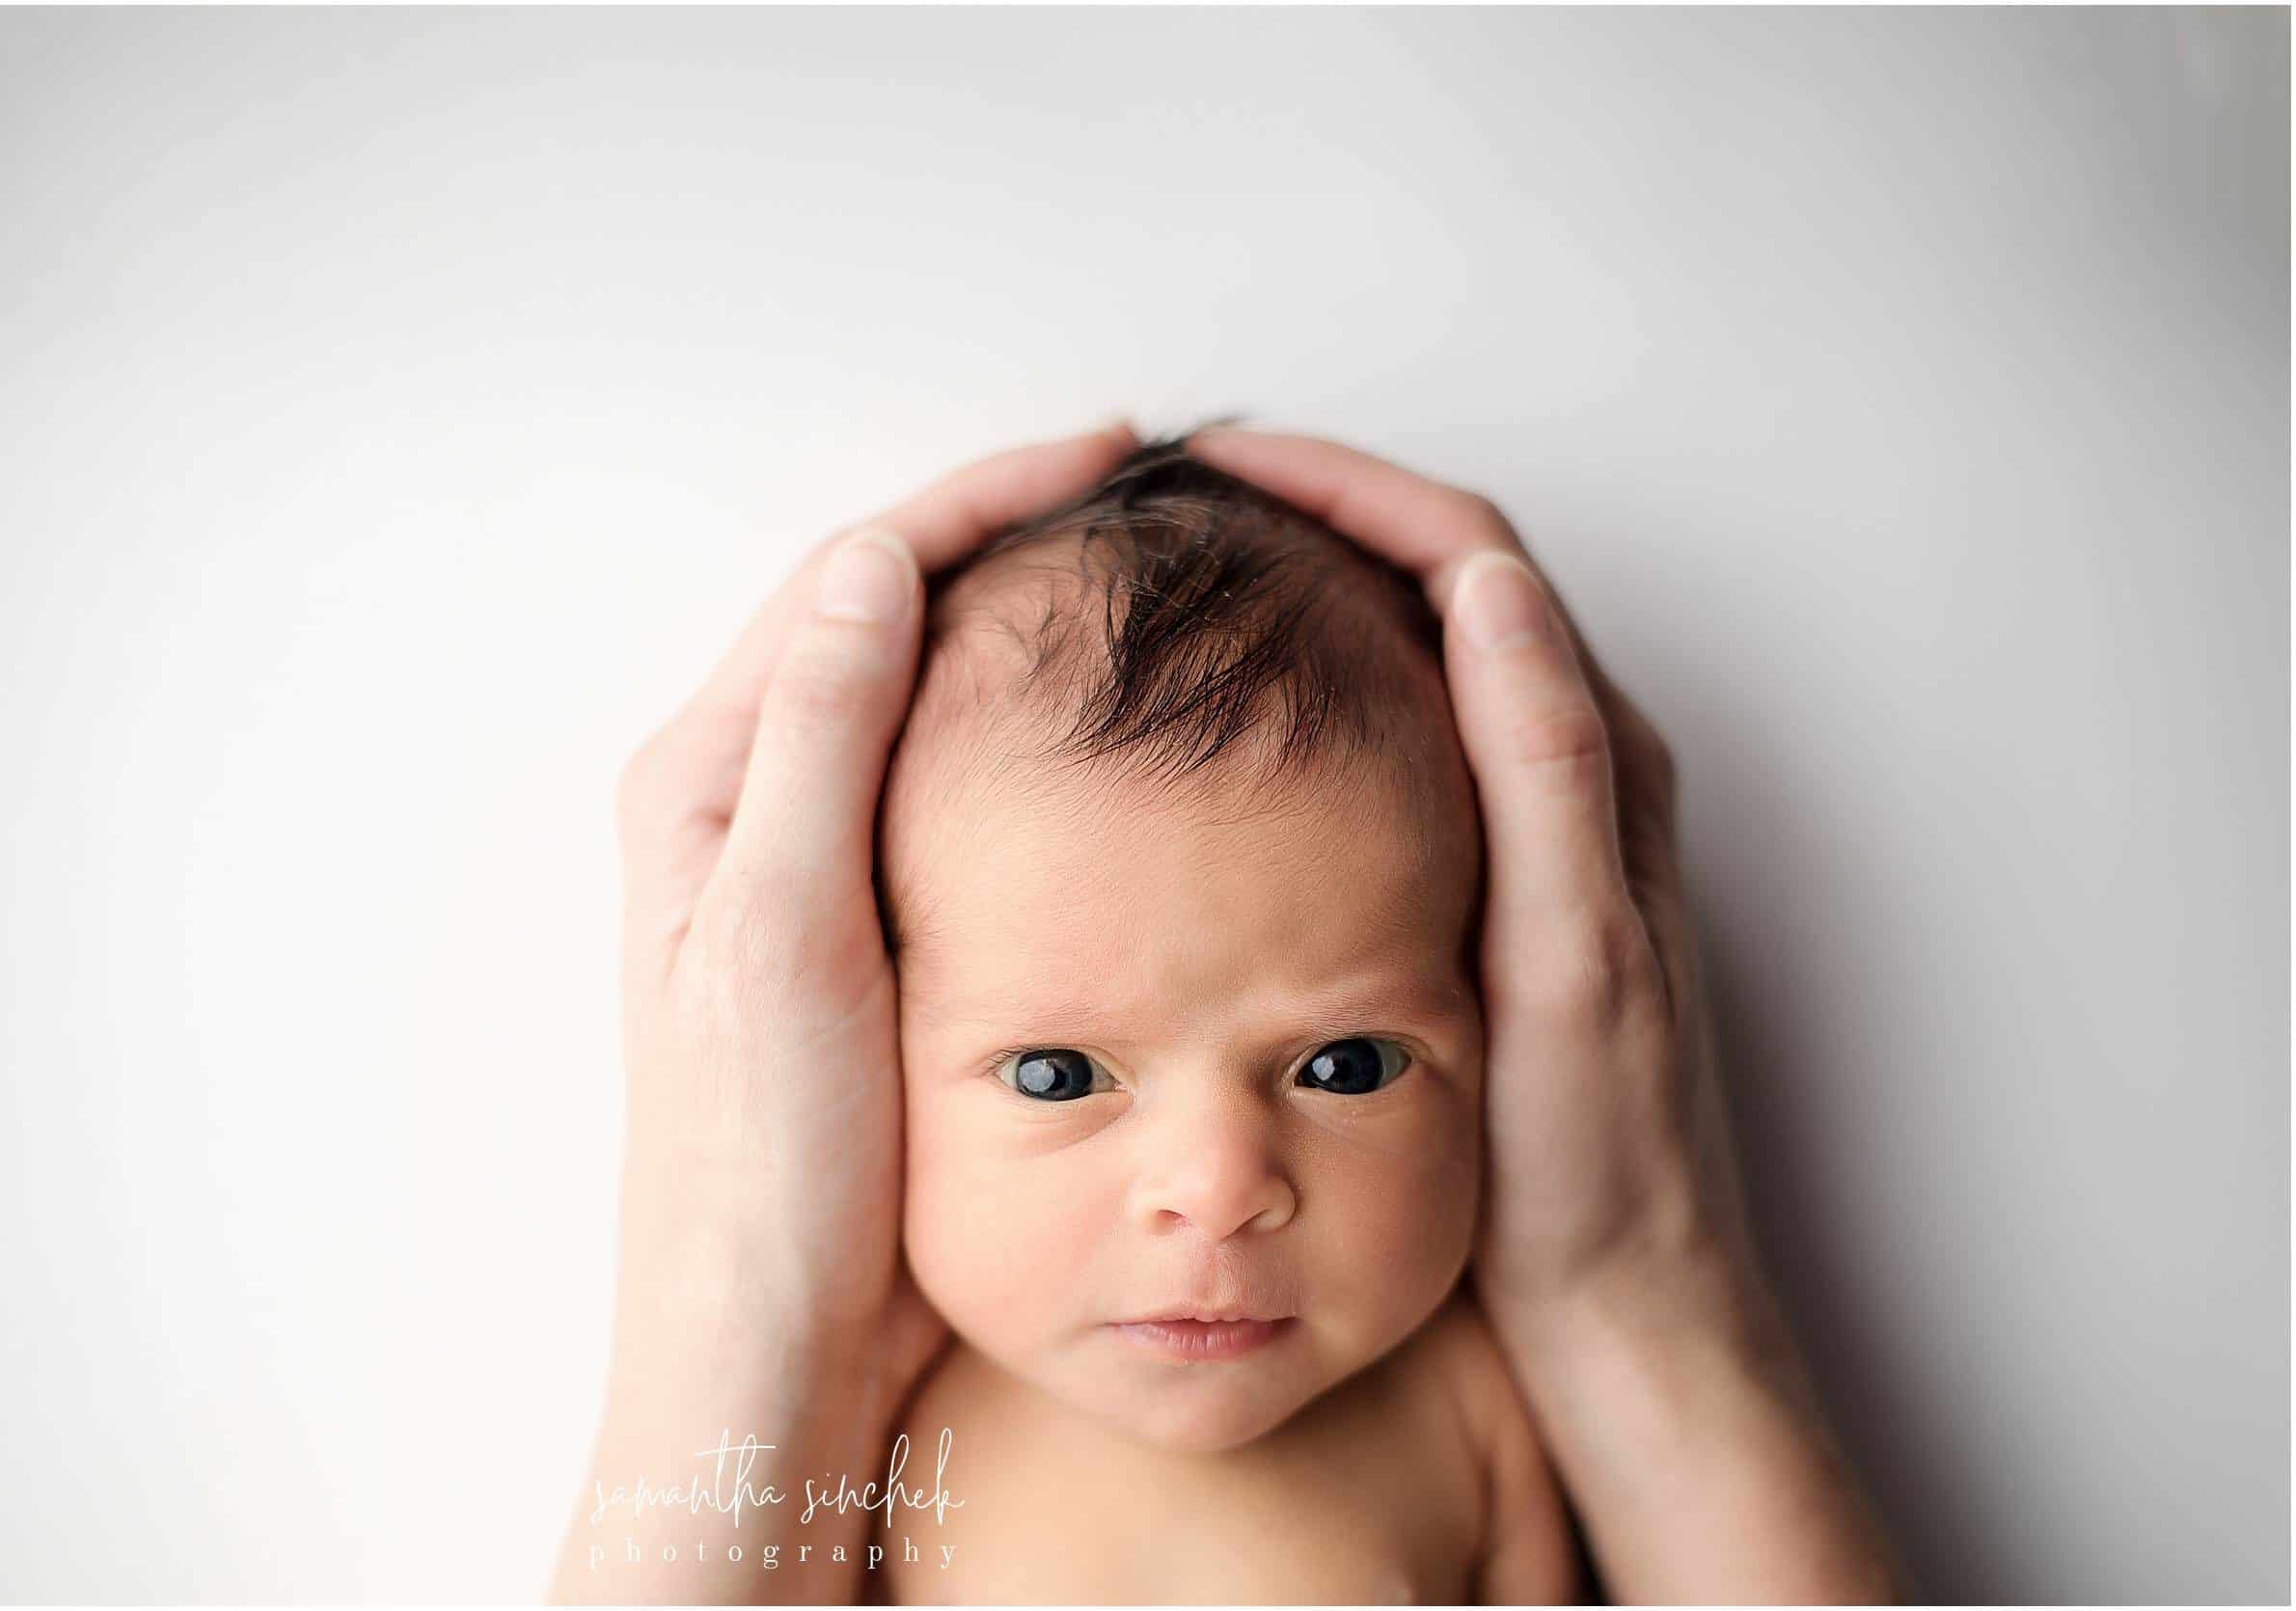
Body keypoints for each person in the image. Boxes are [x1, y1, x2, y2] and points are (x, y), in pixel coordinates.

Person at [550, 421, 1900, 1605]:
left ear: (1503, 1033)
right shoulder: (868, 1444)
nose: (1219, 1187)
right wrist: (757, 1320)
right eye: (1057, 1075)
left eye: (1346, 1062)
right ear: (877, 1053)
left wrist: (1620, 1284)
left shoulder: (1474, 1410)